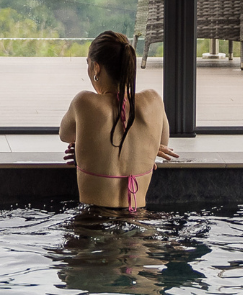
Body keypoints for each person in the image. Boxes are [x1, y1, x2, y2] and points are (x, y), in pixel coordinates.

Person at [60, 31, 178, 212]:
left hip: (93, 221)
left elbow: (65, 135)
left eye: (88, 64)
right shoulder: (153, 101)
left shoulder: (84, 103)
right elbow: (162, 143)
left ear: (96, 68)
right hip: (139, 221)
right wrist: (145, 147)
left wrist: (88, 147)